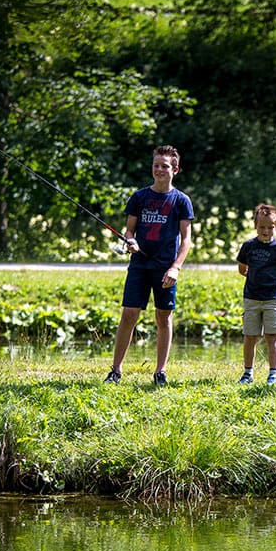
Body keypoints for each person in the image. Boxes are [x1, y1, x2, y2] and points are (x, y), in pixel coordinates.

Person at [105, 145, 194, 386]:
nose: (159, 169)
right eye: (156, 165)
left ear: (175, 169)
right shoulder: (140, 197)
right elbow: (129, 230)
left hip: (165, 268)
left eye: (165, 166)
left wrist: (175, 267)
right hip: (139, 265)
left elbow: (186, 240)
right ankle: (115, 371)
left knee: (164, 317)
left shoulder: (181, 201)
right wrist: (130, 242)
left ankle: (160, 372)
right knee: (129, 314)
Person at [236, 204, 276, 386]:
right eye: (262, 227)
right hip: (251, 298)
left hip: (272, 299)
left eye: (270, 227)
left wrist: (273, 280)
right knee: (250, 337)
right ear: (255, 225)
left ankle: (273, 374)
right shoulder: (248, 246)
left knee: (271, 337)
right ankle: (247, 373)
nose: (266, 230)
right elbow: (242, 268)